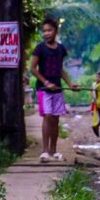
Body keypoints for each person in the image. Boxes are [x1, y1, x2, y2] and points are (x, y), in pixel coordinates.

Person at [30, 18, 78, 162]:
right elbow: (32, 68)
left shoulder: (61, 49)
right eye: (44, 31)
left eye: (49, 30)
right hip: (44, 89)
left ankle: (53, 150)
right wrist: (46, 82)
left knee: (55, 119)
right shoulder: (39, 48)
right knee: (48, 116)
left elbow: (60, 69)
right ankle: (44, 152)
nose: (46, 33)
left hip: (57, 89)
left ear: (56, 31)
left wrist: (70, 84)